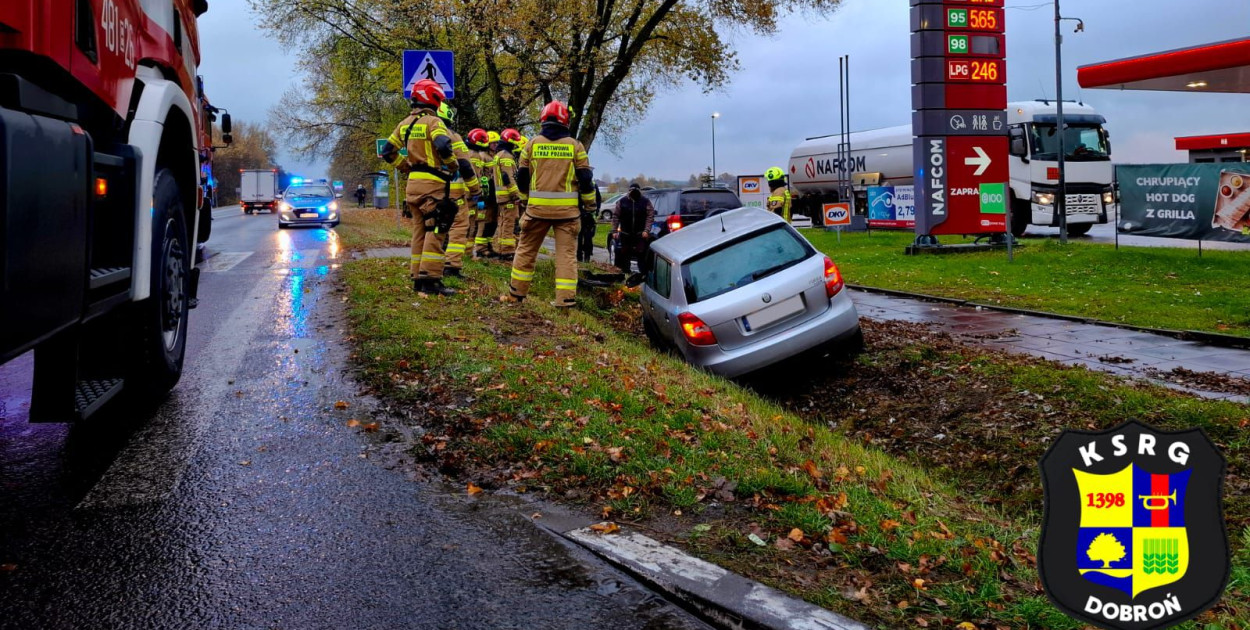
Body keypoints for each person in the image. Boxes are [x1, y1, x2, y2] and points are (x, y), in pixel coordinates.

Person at [379, 78, 481, 296]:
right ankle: (432, 280)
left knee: (419, 231)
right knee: (437, 228)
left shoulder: (404, 124)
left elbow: (387, 151)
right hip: (432, 185)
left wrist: (406, 168)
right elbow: (443, 144)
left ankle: (417, 277)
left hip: (413, 185)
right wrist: (452, 165)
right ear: (433, 100)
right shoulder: (434, 122)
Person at [502, 100, 595, 308]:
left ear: (543, 119)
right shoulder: (576, 146)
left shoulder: (531, 144)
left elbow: (523, 178)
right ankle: (565, 300)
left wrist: (525, 202)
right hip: (568, 214)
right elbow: (586, 180)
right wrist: (590, 208)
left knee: (525, 250)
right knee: (566, 257)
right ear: (565, 121)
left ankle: (516, 295)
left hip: (536, 212)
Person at [436, 102, 480, 277]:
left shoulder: (422, 132)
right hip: (453, 190)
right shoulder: (453, 137)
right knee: (459, 225)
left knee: (433, 227)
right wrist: (475, 189)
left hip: (428, 188)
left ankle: (427, 267)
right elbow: (465, 165)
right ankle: (452, 265)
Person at [492, 128, 523, 261]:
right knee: (509, 224)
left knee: (503, 222)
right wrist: (516, 195)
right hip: (508, 196)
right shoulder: (506, 156)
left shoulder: (498, 154)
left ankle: (500, 249)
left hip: (501, 196)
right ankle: (507, 251)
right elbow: (508, 177)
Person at [612, 182, 655, 275]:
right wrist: (615, 230)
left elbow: (650, 216)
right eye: (632, 190)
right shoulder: (622, 201)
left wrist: (647, 230)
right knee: (624, 256)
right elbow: (616, 216)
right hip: (625, 234)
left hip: (640, 234)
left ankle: (643, 276)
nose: (634, 192)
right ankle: (625, 275)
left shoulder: (645, 201)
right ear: (629, 191)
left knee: (641, 256)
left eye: (636, 190)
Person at [577, 185, 601, 263]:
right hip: (585, 215)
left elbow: (598, 199)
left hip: (587, 215)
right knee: (583, 237)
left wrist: (597, 210)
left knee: (586, 237)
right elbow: (598, 199)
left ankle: (583, 257)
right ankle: (582, 257)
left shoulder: (592, 185)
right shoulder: (592, 185)